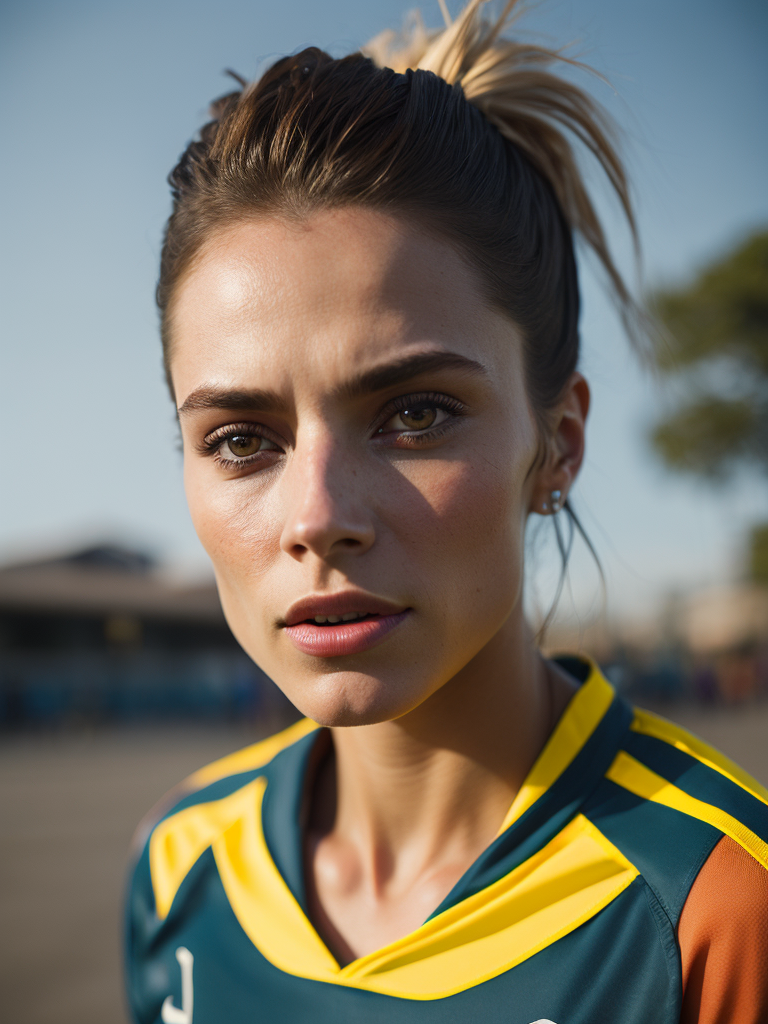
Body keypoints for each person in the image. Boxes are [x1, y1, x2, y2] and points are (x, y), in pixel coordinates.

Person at [125, 2, 768, 1022]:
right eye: (242, 438)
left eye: (416, 413)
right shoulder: (177, 870)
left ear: (557, 442)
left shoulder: (716, 907)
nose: (319, 515)